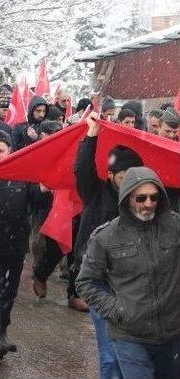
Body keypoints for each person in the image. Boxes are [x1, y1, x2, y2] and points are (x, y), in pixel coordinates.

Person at [76, 167, 180, 379]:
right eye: (141, 198)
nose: (148, 204)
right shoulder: (105, 237)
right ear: (126, 198)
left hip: (172, 335)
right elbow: (86, 282)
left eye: (154, 197)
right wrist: (117, 310)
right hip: (129, 336)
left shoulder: (175, 226)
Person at [73, 111, 144, 378]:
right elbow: (82, 168)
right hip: (100, 283)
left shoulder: (147, 200)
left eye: (132, 173)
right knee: (110, 353)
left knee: (133, 353)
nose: (127, 179)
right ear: (111, 174)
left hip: (135, 286)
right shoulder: (95, 192)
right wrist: (91, 135)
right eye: (121, 173)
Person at [0, 129, 48, 360]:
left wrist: (45, 190)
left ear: (10, 150)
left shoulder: (23, 174)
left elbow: (36, 203)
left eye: (2, 150)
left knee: (10, 290)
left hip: (16, 243)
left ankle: (3, 329)